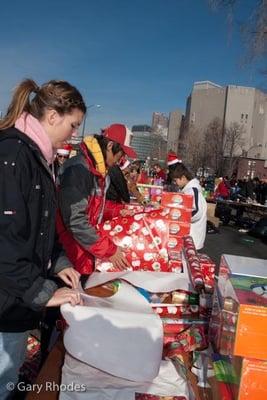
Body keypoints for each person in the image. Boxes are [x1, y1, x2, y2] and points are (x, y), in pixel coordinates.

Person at [0, 79, 84, 398]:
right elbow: (5, 243)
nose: (74, 133)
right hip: (7, 301)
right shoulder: (14, 154)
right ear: (52, 116)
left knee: (9, 371)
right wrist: (44, 293)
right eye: (73, 124)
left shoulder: (39, 157)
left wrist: (59, 261)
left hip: (14, 300)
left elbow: (41, 227)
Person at [56, 123, 135, 275]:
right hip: (69, 256)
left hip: (84, 251)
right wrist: (108, 250)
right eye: (122, 153)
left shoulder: (100, 171)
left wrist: (119, 211)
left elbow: (95, 206)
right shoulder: (79, 170)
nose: (122, 159)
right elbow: (75, 220)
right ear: (110, 145)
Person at [170, 163, 207, 250]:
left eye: (176, 180)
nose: (175, 183)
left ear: (183, 178)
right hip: (191, 236)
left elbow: (197, 211)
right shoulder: (189, 190)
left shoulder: (192, 191)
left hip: (193, 237)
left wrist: (179, 218)